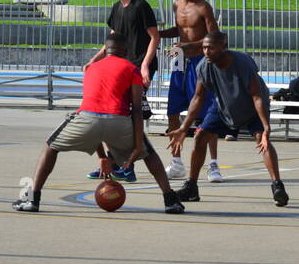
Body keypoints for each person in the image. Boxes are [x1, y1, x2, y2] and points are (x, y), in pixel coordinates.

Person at [13, 35, 184, 213]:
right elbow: (137, 110)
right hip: (119, 121)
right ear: (125, 52)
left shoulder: (91, 68)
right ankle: (170, 200)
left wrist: (102, 156)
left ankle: (33, 199)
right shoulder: (131, 69)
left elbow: (96, 119)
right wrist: (138, 147)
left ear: (105, 50)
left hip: (87, 118)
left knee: (50, 147)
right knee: (150, 155)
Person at [169, 30, 289, 208]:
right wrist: (184, 127)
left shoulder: (242, 62)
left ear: (223, 47)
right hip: (223, 106)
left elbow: (256, 95)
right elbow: (198, 97)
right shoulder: (204, 65)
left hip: (252, 107)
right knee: (200, 137)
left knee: (261, 139)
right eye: (204, 48)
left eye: (211, 48)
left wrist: (266, 127)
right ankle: (191, 187)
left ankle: (277, 186)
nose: (206, 52)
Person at [86, 0, 161, 182]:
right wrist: (93, 61)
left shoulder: (141, 6)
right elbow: (111, 40)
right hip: (119, 69)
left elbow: (154, 37)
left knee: (128, 116)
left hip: (138, 67)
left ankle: (126, 166)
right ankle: (115, 164)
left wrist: (146, 65)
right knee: (116, 115)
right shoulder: (116, 8)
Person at [159, 0, 222, 182]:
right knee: (173, 110)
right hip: (178, 58)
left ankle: (213, 165)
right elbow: (179, 30)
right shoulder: (176, 5)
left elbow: (214, 37)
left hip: (199, 60)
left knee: (205, 114)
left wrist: (188, 45)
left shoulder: (204, 7)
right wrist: (156, 34)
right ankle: (176, 162)